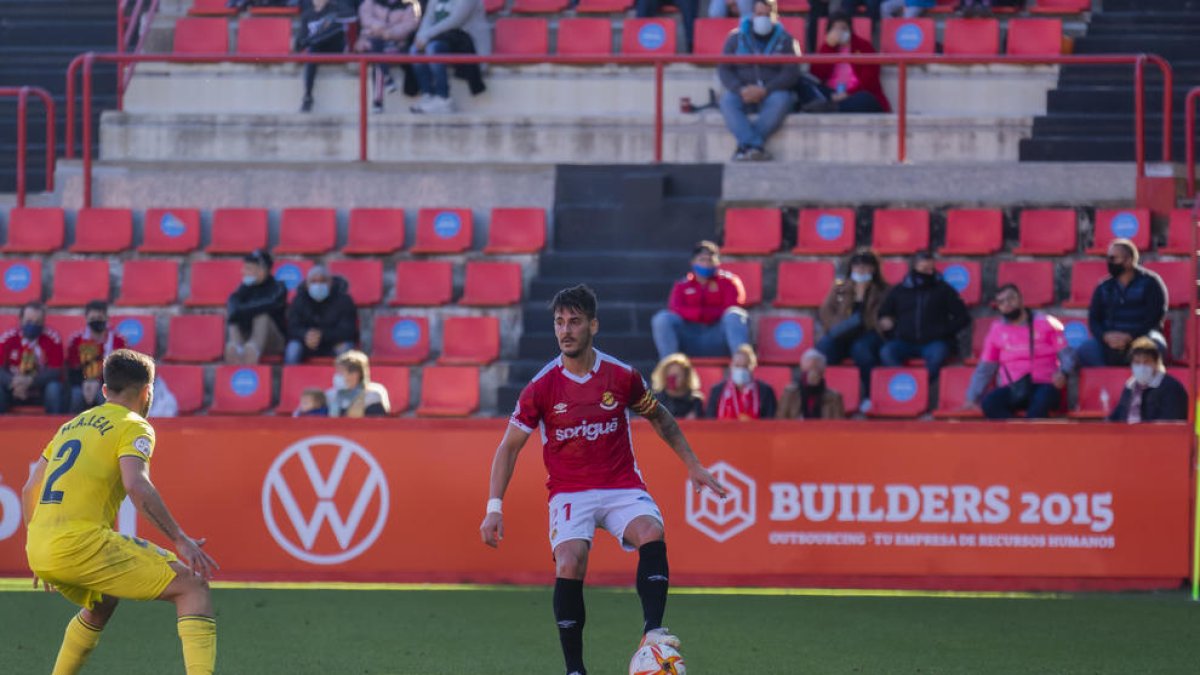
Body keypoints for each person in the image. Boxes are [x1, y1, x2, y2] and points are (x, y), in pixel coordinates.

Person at [479, 284, 726, 675]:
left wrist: (693, 465)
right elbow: (508, 447)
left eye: (574, 321)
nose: (566, 330)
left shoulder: (621, 376)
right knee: (570, 561)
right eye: (559, 322)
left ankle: (652, 634)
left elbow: (660, 416)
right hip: (569, 491)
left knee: (651, 530)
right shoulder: (541, 387)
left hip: (620, 485)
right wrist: (494, 508)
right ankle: (575, 669)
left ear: (593, 325)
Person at [21, 349, 217, 675]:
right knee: (193, 586)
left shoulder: (70, 426)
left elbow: (30, 489)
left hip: (40, 547)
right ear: (147, 391)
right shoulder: (133, 425)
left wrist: (39, 543)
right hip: (79, 544)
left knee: (102, 602)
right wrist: (179, 539)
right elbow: (136, 485)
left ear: (104, 390)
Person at [963, 284, 1074, 420]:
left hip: (1044, 384)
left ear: (1021, 299)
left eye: (1011, 298)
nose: (1007, 304)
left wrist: (1064, 373)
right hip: (1013, 387)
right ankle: (1014, 433)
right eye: (1001, 302)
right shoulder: (996, 330)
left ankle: (1028, 436)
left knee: (1040, 404)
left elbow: (1067, 354)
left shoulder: (1046, 322)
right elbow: (986, 368)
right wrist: (971, 397)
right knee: (989, 404)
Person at [717, 0, 800, 161]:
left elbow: (791, 73)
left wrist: (766, 89)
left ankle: (746, 146)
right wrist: (740, 89)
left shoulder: (786, 40)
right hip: (743, 92)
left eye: (767, 15)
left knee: (782, 100)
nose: (763, 18)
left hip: (773, 92)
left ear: (774, 17)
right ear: (752, 15)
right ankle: (755, 146)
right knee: (727, 101)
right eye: (759, 14)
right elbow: (725, 69)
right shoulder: (735, 38)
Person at [877, 251, 970, 382]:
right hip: (904, 341)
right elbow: (884, 313)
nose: (929, 273)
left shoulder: (944, 289)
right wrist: (890, 326)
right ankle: (905, 382)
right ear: (914, 268)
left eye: (931, 269)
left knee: (938, 353)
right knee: (887, 352)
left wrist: (943, 331)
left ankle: (920, 386)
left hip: (934, 342)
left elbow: (963, 317)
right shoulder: (899, 291)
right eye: (924, 269)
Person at [651, 241, 750, 360]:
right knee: (662, 318)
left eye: (711, 260)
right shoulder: (682, 285)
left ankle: (741, 366)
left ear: (718, 262)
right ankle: (669, 367)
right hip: (690, 340)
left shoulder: (730, 282)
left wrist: (700, 314)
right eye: (702, 260)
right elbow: (675, 309)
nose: (707, 264)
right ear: (693, 262)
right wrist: (701, 314)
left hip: (719, 338)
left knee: (735, 315)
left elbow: (731, 307)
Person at [1077, 239, 1168, 367]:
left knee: (1157, 345)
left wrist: (1130, 336)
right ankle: (1108, 383)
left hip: (1140, 339)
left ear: (1129, 260)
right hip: (1109, 342)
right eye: (1108, 258)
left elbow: (1154, 319)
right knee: (1086, 350)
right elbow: (1093, 320)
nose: (1109, 262)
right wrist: (1105, 336)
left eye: (1114, 258)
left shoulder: (1151, 283)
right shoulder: (1103, 287)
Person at [816, 248, 887, 400]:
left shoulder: (882, 291)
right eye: (857, 265)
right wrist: (840, 323)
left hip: (868, 335)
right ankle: (817, 394)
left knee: (861, 350)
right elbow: (825, 312)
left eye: (866, 265)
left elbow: (875, 320)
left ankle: (871, 395)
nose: (861, 269)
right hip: (843, 333)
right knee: (822, 349)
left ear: (874, 269)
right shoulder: (840, 288)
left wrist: (862, 296)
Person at [409, 0, 490, 114]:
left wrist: (426, 36)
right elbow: (428, 18)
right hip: (443, 38)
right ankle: (427, 95)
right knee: (414, 50)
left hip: (467, 43)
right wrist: (420, 36)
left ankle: (443, 98)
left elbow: (455, 21)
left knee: (433, 48)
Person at [803, 11, 891, 114]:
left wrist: (847, 93)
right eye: (835, 29)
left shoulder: (863, 46)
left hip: (854, 95)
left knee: (865, 98)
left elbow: (870, 80)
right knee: (804, 83)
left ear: (850, 29)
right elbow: (816, 76)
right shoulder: (826, 47)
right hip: (833, 94)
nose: (839, 32)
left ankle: (831, 108)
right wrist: (829, 47)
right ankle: (829, 107)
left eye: (843, 28)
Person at [0, 301, 66, 414]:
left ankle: (55, 428)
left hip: (40, 389)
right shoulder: (7, 338)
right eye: (29, 321)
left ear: (43, 322)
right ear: (20, 320)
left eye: (37, 322)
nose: (33, 325)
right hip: (12, 389)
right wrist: (12, 382)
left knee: (54, 388)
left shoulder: (53, 339)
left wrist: (31, 381)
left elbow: (56, 371)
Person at [285, 265, 359, 365]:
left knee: (345, 348)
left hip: (334, 342)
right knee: (293, 348)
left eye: (323, 281)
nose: (318, 285)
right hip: (307, 344)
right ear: (307, 284)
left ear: (330, 283)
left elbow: (349, 330)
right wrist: (305, 335)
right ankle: (290, 379)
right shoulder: (299, 300)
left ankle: (344, 379)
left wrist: (322, 335)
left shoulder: (344, 300)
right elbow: (292, 328)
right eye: (314, 281)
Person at [356, 0, 421, 113]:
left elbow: (409, 26)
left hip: (394, 44)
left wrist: (390, 33)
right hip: (370, 42)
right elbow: (365, 18)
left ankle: (378, 101)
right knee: (375, 47)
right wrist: (382, 28)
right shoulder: (370, 2)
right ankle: (386, 78)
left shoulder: (409, 6)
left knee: (378, 58)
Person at [225, 249, 287, 365]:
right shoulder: (243, 288)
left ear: (262, 271)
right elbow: (232, 307)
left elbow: (271, 304)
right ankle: (236, 347)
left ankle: (253, 350)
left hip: (273, 341)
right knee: (233, 320)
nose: (243, 272)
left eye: (248, 268)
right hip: (247, 337)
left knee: (262, 316)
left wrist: (243, 310)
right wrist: (244, 310)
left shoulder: (278, 287)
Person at [66, 300, 128, 413]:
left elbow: (120, 373)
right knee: (76, 394)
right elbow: (72, 369)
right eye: (92, 318)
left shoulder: (118, 341)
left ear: (107, 318)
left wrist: (98, 383)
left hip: (107, 384)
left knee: (103, 394)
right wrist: (85, 382)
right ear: (86, 319)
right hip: (82, 383)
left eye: (100, 318)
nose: (96, 321)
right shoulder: (76, 340)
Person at [1108, 337, 1188, 423]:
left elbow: (1170, 422)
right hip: (1128, 435)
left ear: (1156, 363)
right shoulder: (1130, 387)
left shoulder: (1171, 388)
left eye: (1146, 362)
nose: (1141, 366)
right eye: (1137, 362)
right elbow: (1117, 417)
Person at [298, 0, 351, 113]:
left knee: (335, 29)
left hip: (334, 47)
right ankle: (308, 96)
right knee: (312, 52)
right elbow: (301, 40)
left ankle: (313, 41)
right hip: (316, 49)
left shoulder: (334, 9)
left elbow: (340, 28)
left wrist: (310, 40)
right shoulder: (307, 14)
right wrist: (307, 42)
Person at [706, 344, 777, 419]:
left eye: (745, 366)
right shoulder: (717, 390)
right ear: (731, 366)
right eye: (737, 366)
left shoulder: (765, 391)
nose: (741, 370)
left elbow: (770, 421)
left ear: (753, 366)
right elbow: (709, 420)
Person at [778, 348, 845, 419]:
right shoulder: (789, 393)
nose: (812, 375)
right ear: (802, 369)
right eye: (808, 370)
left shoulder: (834, 398)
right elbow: (780, 422)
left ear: (823, 372)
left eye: (816, 369)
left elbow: (838, 426)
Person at [326, 349, 391, 417]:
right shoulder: (330, 395)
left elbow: (377, 424)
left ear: (355, 374)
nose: (337, 376)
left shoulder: (372, 397)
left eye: (341, 372)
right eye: (337, 372)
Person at [650, 353, 706, 419]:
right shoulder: (654, 400)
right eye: (670, 375)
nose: (672, 379)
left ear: (686, 376)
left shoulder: (695, 400)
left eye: (677, 375)